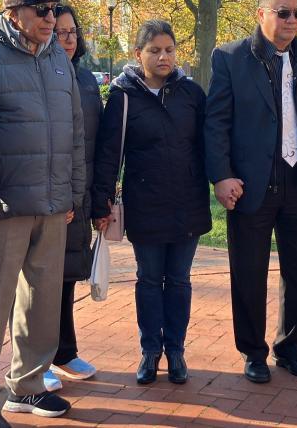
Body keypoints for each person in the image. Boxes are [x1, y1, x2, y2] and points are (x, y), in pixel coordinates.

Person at [205, 0, 297, 383]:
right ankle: (253, 352)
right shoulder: (230, 57)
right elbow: (216, 123)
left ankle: (291, 348)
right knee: (249, 271)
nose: (292, 21)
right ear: (262, 13)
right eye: (283, 12)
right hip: (251, 184)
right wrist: (221, 176)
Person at [0, 0, 85, 427]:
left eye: (53, 9)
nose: (51, 19)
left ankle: (28, 387)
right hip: (3, 208)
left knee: (43, 301)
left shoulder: (57, 57)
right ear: (14, 11)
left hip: (53, 205)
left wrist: (72, 194)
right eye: (41, 9)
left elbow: (73, 128)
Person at [92, 19, 212, 385]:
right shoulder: (123, 96)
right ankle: (150, 351)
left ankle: (175, 350)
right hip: (146, 204)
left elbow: (210, 145)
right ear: (138, 54)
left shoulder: (191, 95)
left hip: (187, 203)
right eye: (154, 50)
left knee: (178, 280)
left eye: (169, 50)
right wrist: (101, 202)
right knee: (148, 279)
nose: (163, 57)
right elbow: (109, 154)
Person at [43, 4, 101, 391]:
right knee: (35, 284)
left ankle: (64, 351)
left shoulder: (85, 80)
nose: (67, 39)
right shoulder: (39, 73)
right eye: (59, 31)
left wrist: (94, 199)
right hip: (46, 198)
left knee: (65, 279)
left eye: (72, 32)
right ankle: (35, 358)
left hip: (79, 196)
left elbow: (94, 143)